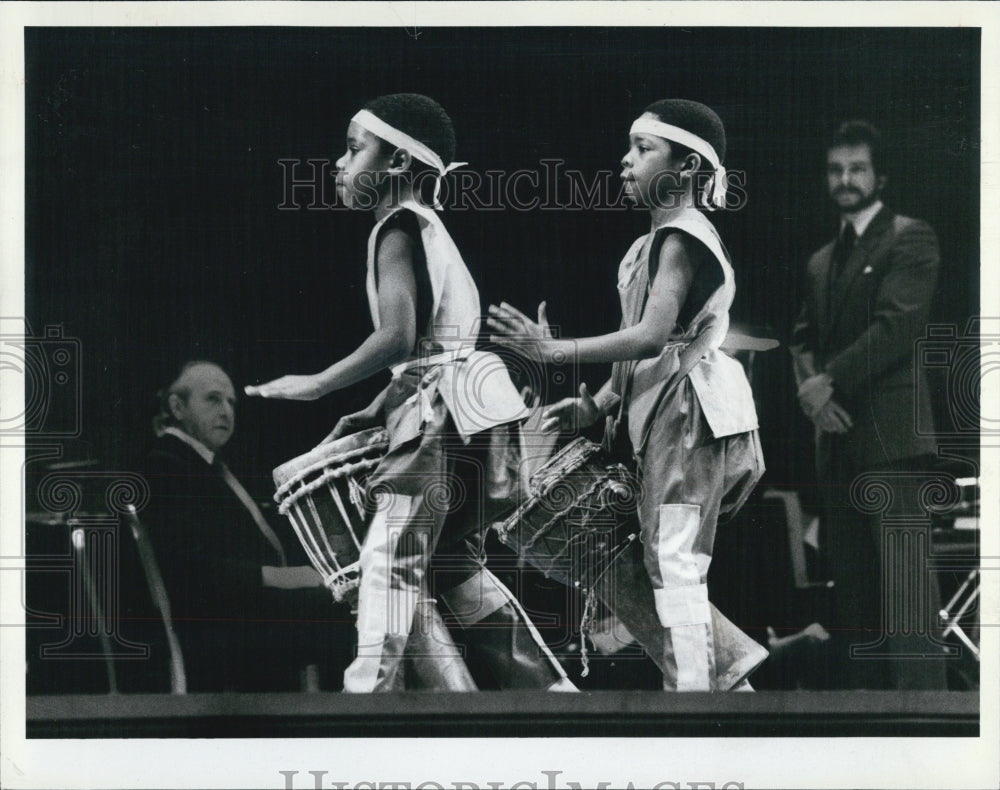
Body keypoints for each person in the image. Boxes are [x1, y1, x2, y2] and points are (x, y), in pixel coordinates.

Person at [246, 94, 573, 693]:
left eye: (353, 149)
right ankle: (547, 692)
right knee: (451, 570)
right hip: (478, 411)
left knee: (386, 561)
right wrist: (371, 409)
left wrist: (318, 384)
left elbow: (398, 338)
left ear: (396, 163)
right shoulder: (433, 230)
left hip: (441, 415)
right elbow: (432, 342)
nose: (339, 165)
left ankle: (364, 699)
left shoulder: (396, 226)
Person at [489, 99, 767, 691]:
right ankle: (722, 690)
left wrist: (554, 353)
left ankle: (694, 700)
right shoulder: (648, 246)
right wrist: (597, 406)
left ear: (689, 165)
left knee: (675, 560)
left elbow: (650, 338)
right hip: (669, 413)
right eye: (630, 147)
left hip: (694, 415)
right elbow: (647, 356)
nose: (626, 160)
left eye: (644, 149)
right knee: (665, 559)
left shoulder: (683, 235)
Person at [789, 120, 947, 689]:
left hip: (892, 442)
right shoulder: (819, 260)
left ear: (881, 175)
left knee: (906, 598)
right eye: (836, 169)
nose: (846, 179)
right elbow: (801, 338)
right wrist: (814, 398)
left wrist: (824, 382)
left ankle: (928, 727)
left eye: (857, 168)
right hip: (837, 439)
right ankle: (872, 723)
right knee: (855, 597)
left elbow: (897, 326)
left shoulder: (911, 237)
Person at [140, 360, 351, 692]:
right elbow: (189, 572)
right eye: (212, 399)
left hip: (236, 614)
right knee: (342, 610)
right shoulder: (167, 465)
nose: (226, 411)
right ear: (177, 406)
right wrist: (288, 577)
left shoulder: (200, 463)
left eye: (231, 402)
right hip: (215, 628)